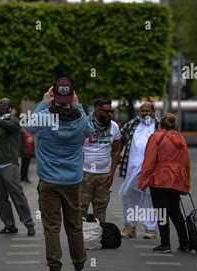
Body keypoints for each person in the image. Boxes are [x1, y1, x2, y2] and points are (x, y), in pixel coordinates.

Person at [26, 77, 94, 271]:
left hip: (49, 181)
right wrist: (78, 105)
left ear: (53, 96)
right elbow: (91, 131)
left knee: (52, 227)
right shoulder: (81, 120)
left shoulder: (44, 117)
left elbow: (28, 127)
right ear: (72, 97)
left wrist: (43, 102)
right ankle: (80, 269)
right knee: (74, 226)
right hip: (73, 181)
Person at [0, 98, 35, 236]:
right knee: (0, 198)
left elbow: (6, 126)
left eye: (4, 105)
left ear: (10, 108)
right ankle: (9, 225)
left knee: (17, 196)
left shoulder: (14, 121)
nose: (1, 107)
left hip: (9, 164)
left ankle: (29, 223)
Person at [138, 113, 191, 253]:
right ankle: (185, 243)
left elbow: (149, 161)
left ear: (160, 124)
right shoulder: (180, 138)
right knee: (175, 212)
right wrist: (186, 182)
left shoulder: (156, 137)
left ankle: (165, 244)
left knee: (162, 212)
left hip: (159, 179)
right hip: (175, 180)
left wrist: (143, 180)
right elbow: (186, 163)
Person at [118, 102, 159, 240]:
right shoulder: (131, 125)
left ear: (153, 112)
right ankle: (130, 227)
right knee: (129, 197)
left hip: (151, 170)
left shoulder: (159, 125)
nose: (145, 113)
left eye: (148, 111)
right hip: (130, 170)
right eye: (142, 111)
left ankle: (150, 229)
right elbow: (118, 140)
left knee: (149, 199)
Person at [81, 98, 121, 222]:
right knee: (81, 207)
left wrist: (111, 172)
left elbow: (116, 151)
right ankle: (79, 239)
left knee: (100, 208)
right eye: (106, 112)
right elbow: (74, 148)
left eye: (111, 112)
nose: (109, 114)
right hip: (84, 173)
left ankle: (99, 236)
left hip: (104, 174)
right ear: (97, 111)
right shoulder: (84, 124)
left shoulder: (114, 127)